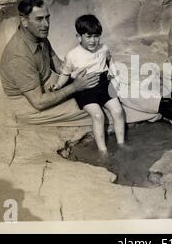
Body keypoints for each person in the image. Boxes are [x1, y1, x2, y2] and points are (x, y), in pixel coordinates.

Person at [0, 0, 172, 128]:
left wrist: (87, 68)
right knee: (107, 109)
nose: (46, 24)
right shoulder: (18, 55)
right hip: (30, 106)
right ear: (24, 21)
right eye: (39, 19)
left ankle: (164, 102)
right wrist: (76, 87)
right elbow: (38, 103)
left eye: (48, 18)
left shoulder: (39, 36)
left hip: (52, 87)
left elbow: (59, 65)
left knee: (108, 85)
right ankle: (164, 109)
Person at [50, 15, 125, 156]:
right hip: (84, 89)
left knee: (118, 111)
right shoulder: (72, 55)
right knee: (98, 115)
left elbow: (110, 61)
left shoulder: (103, 48)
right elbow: (65, 73)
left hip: (103, 84)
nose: (93, 40)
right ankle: (103, 150)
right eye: (88, 36)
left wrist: (114, 76)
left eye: (96, 36)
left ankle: (121, 144)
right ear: (79, 37)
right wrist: (59, 85)